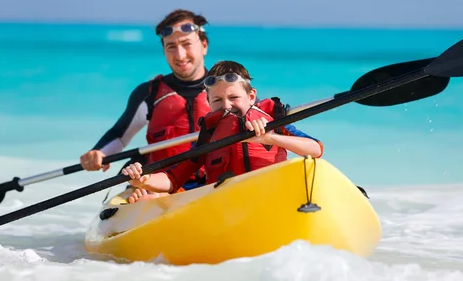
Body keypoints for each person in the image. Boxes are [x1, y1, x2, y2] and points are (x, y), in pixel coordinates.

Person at [121, 60, 324, 203]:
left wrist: (269, 137)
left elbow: (315, 149)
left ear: (251, 96)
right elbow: (173, 178)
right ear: (208, 102)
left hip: (269, 197)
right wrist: (142, 180)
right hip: (225, 205)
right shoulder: (209, 136)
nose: (226, 106)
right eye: (217, 100)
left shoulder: (274, 121)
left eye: (234, 97)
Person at [79, 9, 212, 189]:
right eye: (171, 46)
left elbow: (259, 127)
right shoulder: (149, 94)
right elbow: (119, 136)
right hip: (158, 187)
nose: (180, 55)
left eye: (187, 44)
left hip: (214, 184)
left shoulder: (231, 88)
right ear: (164, 50)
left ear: (204, 46)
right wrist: (97, 153)